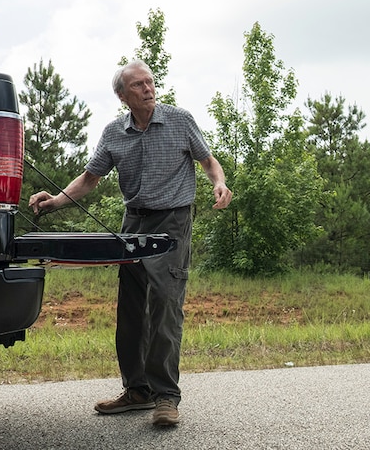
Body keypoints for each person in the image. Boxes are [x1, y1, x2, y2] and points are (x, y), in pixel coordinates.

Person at [29, 60, 232, 427]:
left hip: (172, 221)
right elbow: (90, 179)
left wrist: (218, 182)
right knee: (131, 308)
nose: (148, 89)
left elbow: (208, 161)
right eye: (138, 85)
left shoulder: (180, 120)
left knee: (166, 307)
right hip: (133, 221)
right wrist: (55, 201)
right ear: (122, 95)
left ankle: (166, 396)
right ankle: (137, 390)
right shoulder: (113, 133)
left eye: (150, 82)